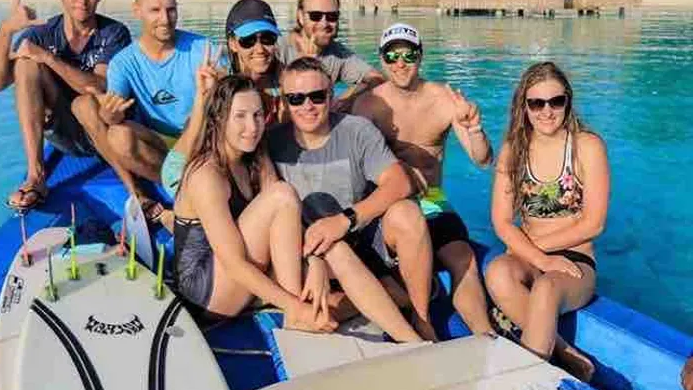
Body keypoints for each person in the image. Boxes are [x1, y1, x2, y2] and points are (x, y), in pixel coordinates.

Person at [268, 57, 436, 342]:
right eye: (296, 98)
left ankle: (422, 318)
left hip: (358, 236)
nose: (307, 106)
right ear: (284, 101)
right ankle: (392, 294)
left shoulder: (356, 130)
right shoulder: (271, 143)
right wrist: (314, 258)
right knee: (322, 314)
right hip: (308, 250)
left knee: (407, 213)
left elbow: (399, 182)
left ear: (331, 96)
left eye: (317, 96)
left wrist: (346, 220)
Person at [352, 23, 494, 336]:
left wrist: (474, 129)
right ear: (382, 58)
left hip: (431, 198)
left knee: (463, 257)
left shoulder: (444, 100)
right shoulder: (369, 105)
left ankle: (486, 335)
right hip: (390, 205)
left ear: (420, 56)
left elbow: (483, 160)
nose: (400, 63)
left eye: (408, 55)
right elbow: (355, 168)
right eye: (392, 56)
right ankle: (422, 318)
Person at [172, 73, 335, 333]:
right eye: (240, 116)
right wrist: (295, 306)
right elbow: (234, 263)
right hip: (206, 292)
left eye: (257, 115)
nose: (252, 126)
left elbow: (288, 221)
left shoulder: (254, 156)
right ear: (218, 119)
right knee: (281, 195)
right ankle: (295, 314)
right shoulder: (206, 175)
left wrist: (315, 261)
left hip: (241, 272)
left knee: (335, 262)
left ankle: (398, 310)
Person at [485, 61, 610, 381]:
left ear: (567, 101)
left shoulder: (587, 147)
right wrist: (539, 258)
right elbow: (502, 221)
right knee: (497, 272)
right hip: (531, 255)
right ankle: (563, 350)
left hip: (575, 259)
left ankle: (526, 385)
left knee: (546, 287)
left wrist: (538, 251)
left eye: (556, 101)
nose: (547, 111)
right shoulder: (514, 151)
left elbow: (593, 224)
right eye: (536, 103)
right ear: (523, 106)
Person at [72, 0, 222, 229]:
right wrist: (110, 115)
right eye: (155, 10)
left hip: (201, 137)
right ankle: (181, 187)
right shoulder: (124, 62)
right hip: (160, 144)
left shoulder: (203, 48)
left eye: (171, 10)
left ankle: (187, 194)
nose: (165, 19)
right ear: (137, 11)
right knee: (117, 136)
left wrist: (218, 87)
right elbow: (113, 113)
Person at [0, 0, 131, 212]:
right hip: (62, 131)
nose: (82, 0)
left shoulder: (114, 33)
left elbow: (99, 86)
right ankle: (36, 176)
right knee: (25, 64)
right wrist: (7, 30)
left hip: (101, 131)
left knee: (40, 62)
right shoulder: (42, 33)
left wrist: (48, 58)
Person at [160, 0, 283, 196]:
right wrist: (203, 97)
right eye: (248, 41)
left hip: (258, 165)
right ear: (233, 43)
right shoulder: (221, 84)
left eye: (267, 39)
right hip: (208, 176)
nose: (259, 49)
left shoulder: (286, 82)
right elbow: (177, 167)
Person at [278, 0, 384, 101]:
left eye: (332, 16)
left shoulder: (336, 54)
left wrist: (342, 101)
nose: (324, 24)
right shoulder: (277, 49)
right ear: (301, 17)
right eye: (315, 16)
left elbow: (377, 79)